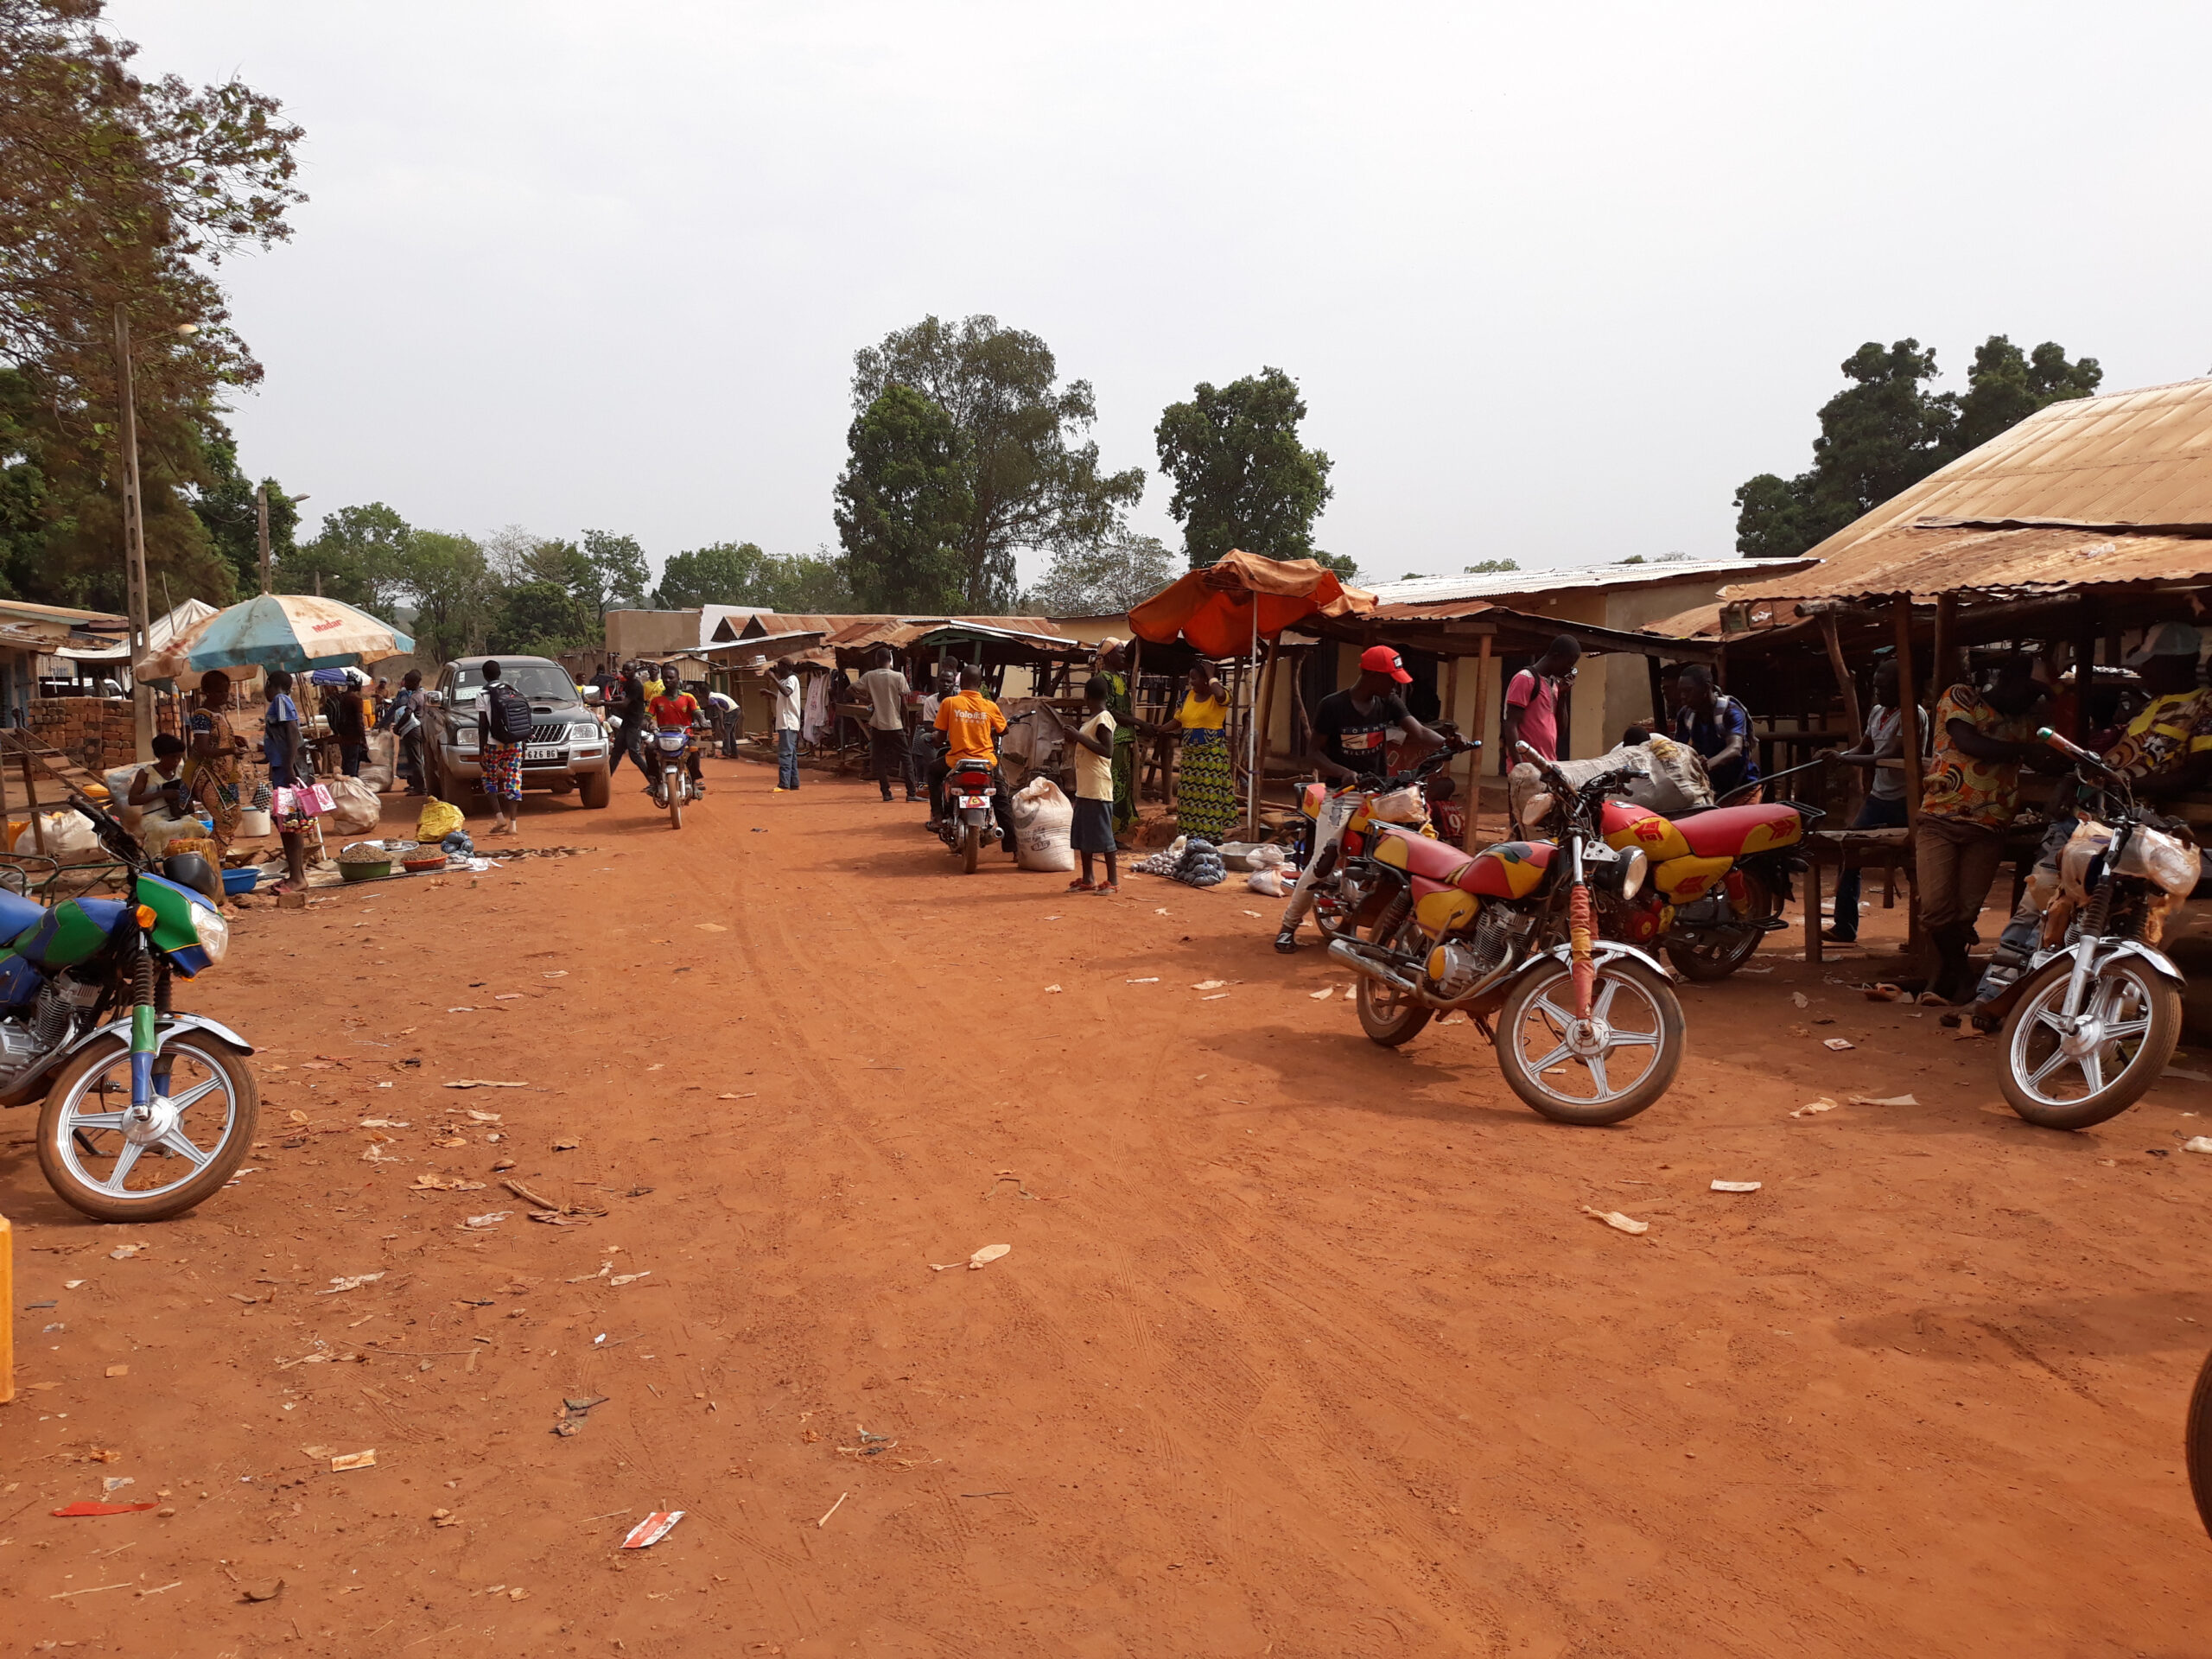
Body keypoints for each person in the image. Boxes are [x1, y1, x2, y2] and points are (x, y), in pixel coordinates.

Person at [1976, 623, 2212, 1005]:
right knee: (2038, 902)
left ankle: (2051, 1002)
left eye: (2150, 662)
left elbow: (2197, 770)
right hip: (2089, 815)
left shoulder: (2204, 705)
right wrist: (2081, 780)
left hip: (2130, 828)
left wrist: (2123, 784)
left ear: (2177, 661)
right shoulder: (2150, 704)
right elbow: (2108, 760)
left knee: (2088, 916)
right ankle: (1993, 995)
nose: (2144, 671)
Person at [1276, 646, 1448, 952]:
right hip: (1343, 796)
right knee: (1324, 861)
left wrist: (1450, 744)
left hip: (1382, 794)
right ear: (1370, 674)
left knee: (1419, 847)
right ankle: (1288, 926)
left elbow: (1418, 731)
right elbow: (1313, 753)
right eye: (1390, 678)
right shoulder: (1333, 706)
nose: (1395, 685)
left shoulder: (1389, 702)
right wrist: (1342, 772)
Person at [1914, 655, 2058, 1002]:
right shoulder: (1961, 697)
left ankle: (1946, 981)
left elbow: (2042, 753)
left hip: (1990, 825)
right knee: (1935, 908)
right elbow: (1969, 743)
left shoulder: (2025, 723)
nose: (2033, 699)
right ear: (2008, 677)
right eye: (2031, 689)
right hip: (1941, 818)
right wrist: (2024, 751)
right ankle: (1963, 979)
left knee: (1963, 915)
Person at [1822, 659, 1914, 944]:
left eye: (1884, 687)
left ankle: (1920, 934)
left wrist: (1843, 759)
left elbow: (1884, 756)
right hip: (1879, 797)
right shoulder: (1877, 712)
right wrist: (1836, 756)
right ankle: (1845, 926)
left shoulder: (1911, 715)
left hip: (1905, 801)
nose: (1878, 692)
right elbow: (1865, 747)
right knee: (1849, 852)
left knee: (1915, 864)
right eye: (1876, 686)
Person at [1046, 675, 1120, 893]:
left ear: (1086, 696)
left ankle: (1113, 880)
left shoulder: (1103, 719)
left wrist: (1078, 736)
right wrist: (1075, 737)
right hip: (1086, 787)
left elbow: (1107, 751)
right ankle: (1089, 878)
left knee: (1104, 835)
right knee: (1084, 833)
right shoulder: (1093, 720)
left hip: (1098, 787)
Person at [930, 665, 1015, 850]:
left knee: (932, 771)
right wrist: (986, 728)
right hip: (986, 763)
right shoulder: (989, 705)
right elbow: (1004, 730)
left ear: (960, 683)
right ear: (980, 684)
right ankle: (1013, 847)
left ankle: (937, 816)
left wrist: (932, 739)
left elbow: (940, 737)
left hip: (957, 762)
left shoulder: (950, 703)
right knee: (1001, 800)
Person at [1151, 659, 1233, 840]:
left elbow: (1220, 695)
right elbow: (1179, 720)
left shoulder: (1220, 695)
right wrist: (1160, 728)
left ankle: (1210, 837)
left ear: (1206, 679)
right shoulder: (1187, 696)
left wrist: (1212, 676)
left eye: (1194, 678)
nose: (1191, 682)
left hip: (1211, 756)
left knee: (1209, 796)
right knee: (1189, 796)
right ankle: (1190, 834)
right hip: (1190, 756)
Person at [1671, 664, 1759, 800]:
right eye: (1681, 691)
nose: (1683, 696)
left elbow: (1735, 748)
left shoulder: (1731, 711)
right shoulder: (1686, 715)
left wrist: (1708, 765)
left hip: (1743, 788)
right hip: (1712, 790)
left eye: (1688, 691)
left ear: (1706, 687)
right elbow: (1678, 749)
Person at [182, 669, 247, 849]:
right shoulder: (202, 716)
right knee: (224, 818)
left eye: (226, 691)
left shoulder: (219, 712)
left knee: (234, 815)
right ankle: (215, 858)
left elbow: (216, 739)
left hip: (226, 775)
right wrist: (231, 750)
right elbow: (204, 749)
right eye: (219, 691)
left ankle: (216, 856)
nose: (224, 695)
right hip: (209, 776)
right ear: (207, 692)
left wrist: (234, 739)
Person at [260, 669, 312, 891]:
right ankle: (296, 875)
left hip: (288, 770)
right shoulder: (283, 702)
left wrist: (289, 765)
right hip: (282, 768)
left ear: (271, 684)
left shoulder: (280, 701)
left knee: (289, 823)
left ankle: (297, 878)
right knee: (289, 823)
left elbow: (291, 733)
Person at [1503, 635, 1580, 763]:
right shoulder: (1525, 679)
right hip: (1527, 767)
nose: (1569, 670)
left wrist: (1562, 696)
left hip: (1548, 765)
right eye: (1568, 664)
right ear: (1556, 656)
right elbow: (1511, 725)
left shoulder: (1554, 684)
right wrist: (1520, 766)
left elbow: (1561, 730)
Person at [858, 647, 919, 804]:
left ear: (876, 661)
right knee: (906, 758)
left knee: (879, 759)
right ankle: (911, 792)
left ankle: (886, 792)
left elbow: (850, 689)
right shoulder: (898, 677)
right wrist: (906, 725)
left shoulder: (870, 676)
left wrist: (868, 701)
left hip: (878, 724)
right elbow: (904, 704)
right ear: (890, 661)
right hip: (895, 724)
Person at [475, 658, 526, 836]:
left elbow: (483, 725)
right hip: (515, 743)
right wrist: (523, 744)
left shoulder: (483, 694)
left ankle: (499, 818)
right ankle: (513, 824)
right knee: (513, 779)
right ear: (499, 674)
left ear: (484, 675)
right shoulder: (513, 690)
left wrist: (481, 750)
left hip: (493, 744)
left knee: (489, 779)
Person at [1096, 639, 1139, 831]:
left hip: (1123, 739)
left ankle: (1117, 830)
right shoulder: (1104, 678)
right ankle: (1108, 832)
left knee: (1122, 783)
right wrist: (1140, 723)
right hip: (1112, 739)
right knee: (1113, 785)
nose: (1124, 656)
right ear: (1108, 656)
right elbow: (1110, 711)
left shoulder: (1119, 678)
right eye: (1120, 653)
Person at [647, 676, 707, 797]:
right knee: (649, 749)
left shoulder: (688, 698)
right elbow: (647, 716)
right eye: (665, 678)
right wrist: (646, 724)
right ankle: (654, 781)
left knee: (694, 751)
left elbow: (697, 713)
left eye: (671, 678)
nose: (667, 680)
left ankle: (695, 783)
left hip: (685, 735)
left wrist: (703, 721)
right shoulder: (656, 699)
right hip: (662, 735)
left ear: (677, 680)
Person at [386, 670, 428, 795]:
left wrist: (397, 727)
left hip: (413, 730)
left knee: (415, 760)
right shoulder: (424, 694)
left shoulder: (414, 697)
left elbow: (408, 713)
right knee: (419, 758)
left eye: (407, 682)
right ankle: (420, 785)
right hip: (422, 729)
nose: (405, 684)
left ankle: (420, 787)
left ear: (413, 682)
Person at [609, 664, 648, 784]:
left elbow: (624, 704)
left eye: (628, 670)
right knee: (616, 752)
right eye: (624, 670)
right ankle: (605, 780)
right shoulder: (627, 685)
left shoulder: (636, 686)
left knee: (634, 754)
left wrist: (604, 703)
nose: (625, 672)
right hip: (626, 723)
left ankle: (654, 779)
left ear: (634, 671)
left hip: (634, 723)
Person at [769, 658, 803, 791]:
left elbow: (787, 693)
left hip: (788, 722)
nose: (777, 669)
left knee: (785, 754)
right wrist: (771, 694)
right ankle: (794, 782)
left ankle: (784, 783)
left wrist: (773, 678)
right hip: (787, 723)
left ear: (785, 667)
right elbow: (784, 697)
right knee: (791, 755)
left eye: (779, 666)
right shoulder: (785, 681)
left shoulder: (792, 680)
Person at [328, 672, 368, 779]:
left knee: (346, 766)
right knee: (352, 770)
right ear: (355, 684)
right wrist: (364, 741)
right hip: (354, 738)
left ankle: (345, 790)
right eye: (360, 683)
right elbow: (359, 722)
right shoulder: (356, 700)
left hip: (344, 738)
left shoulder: (342, 698)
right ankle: (352, 791)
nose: (360, 686)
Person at [1427, 772, 1468, 847]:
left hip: (1446, 841)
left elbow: (1426, 820)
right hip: (1461, 840)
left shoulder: (1434, 806)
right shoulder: (1452, 804)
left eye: (1431, 791)